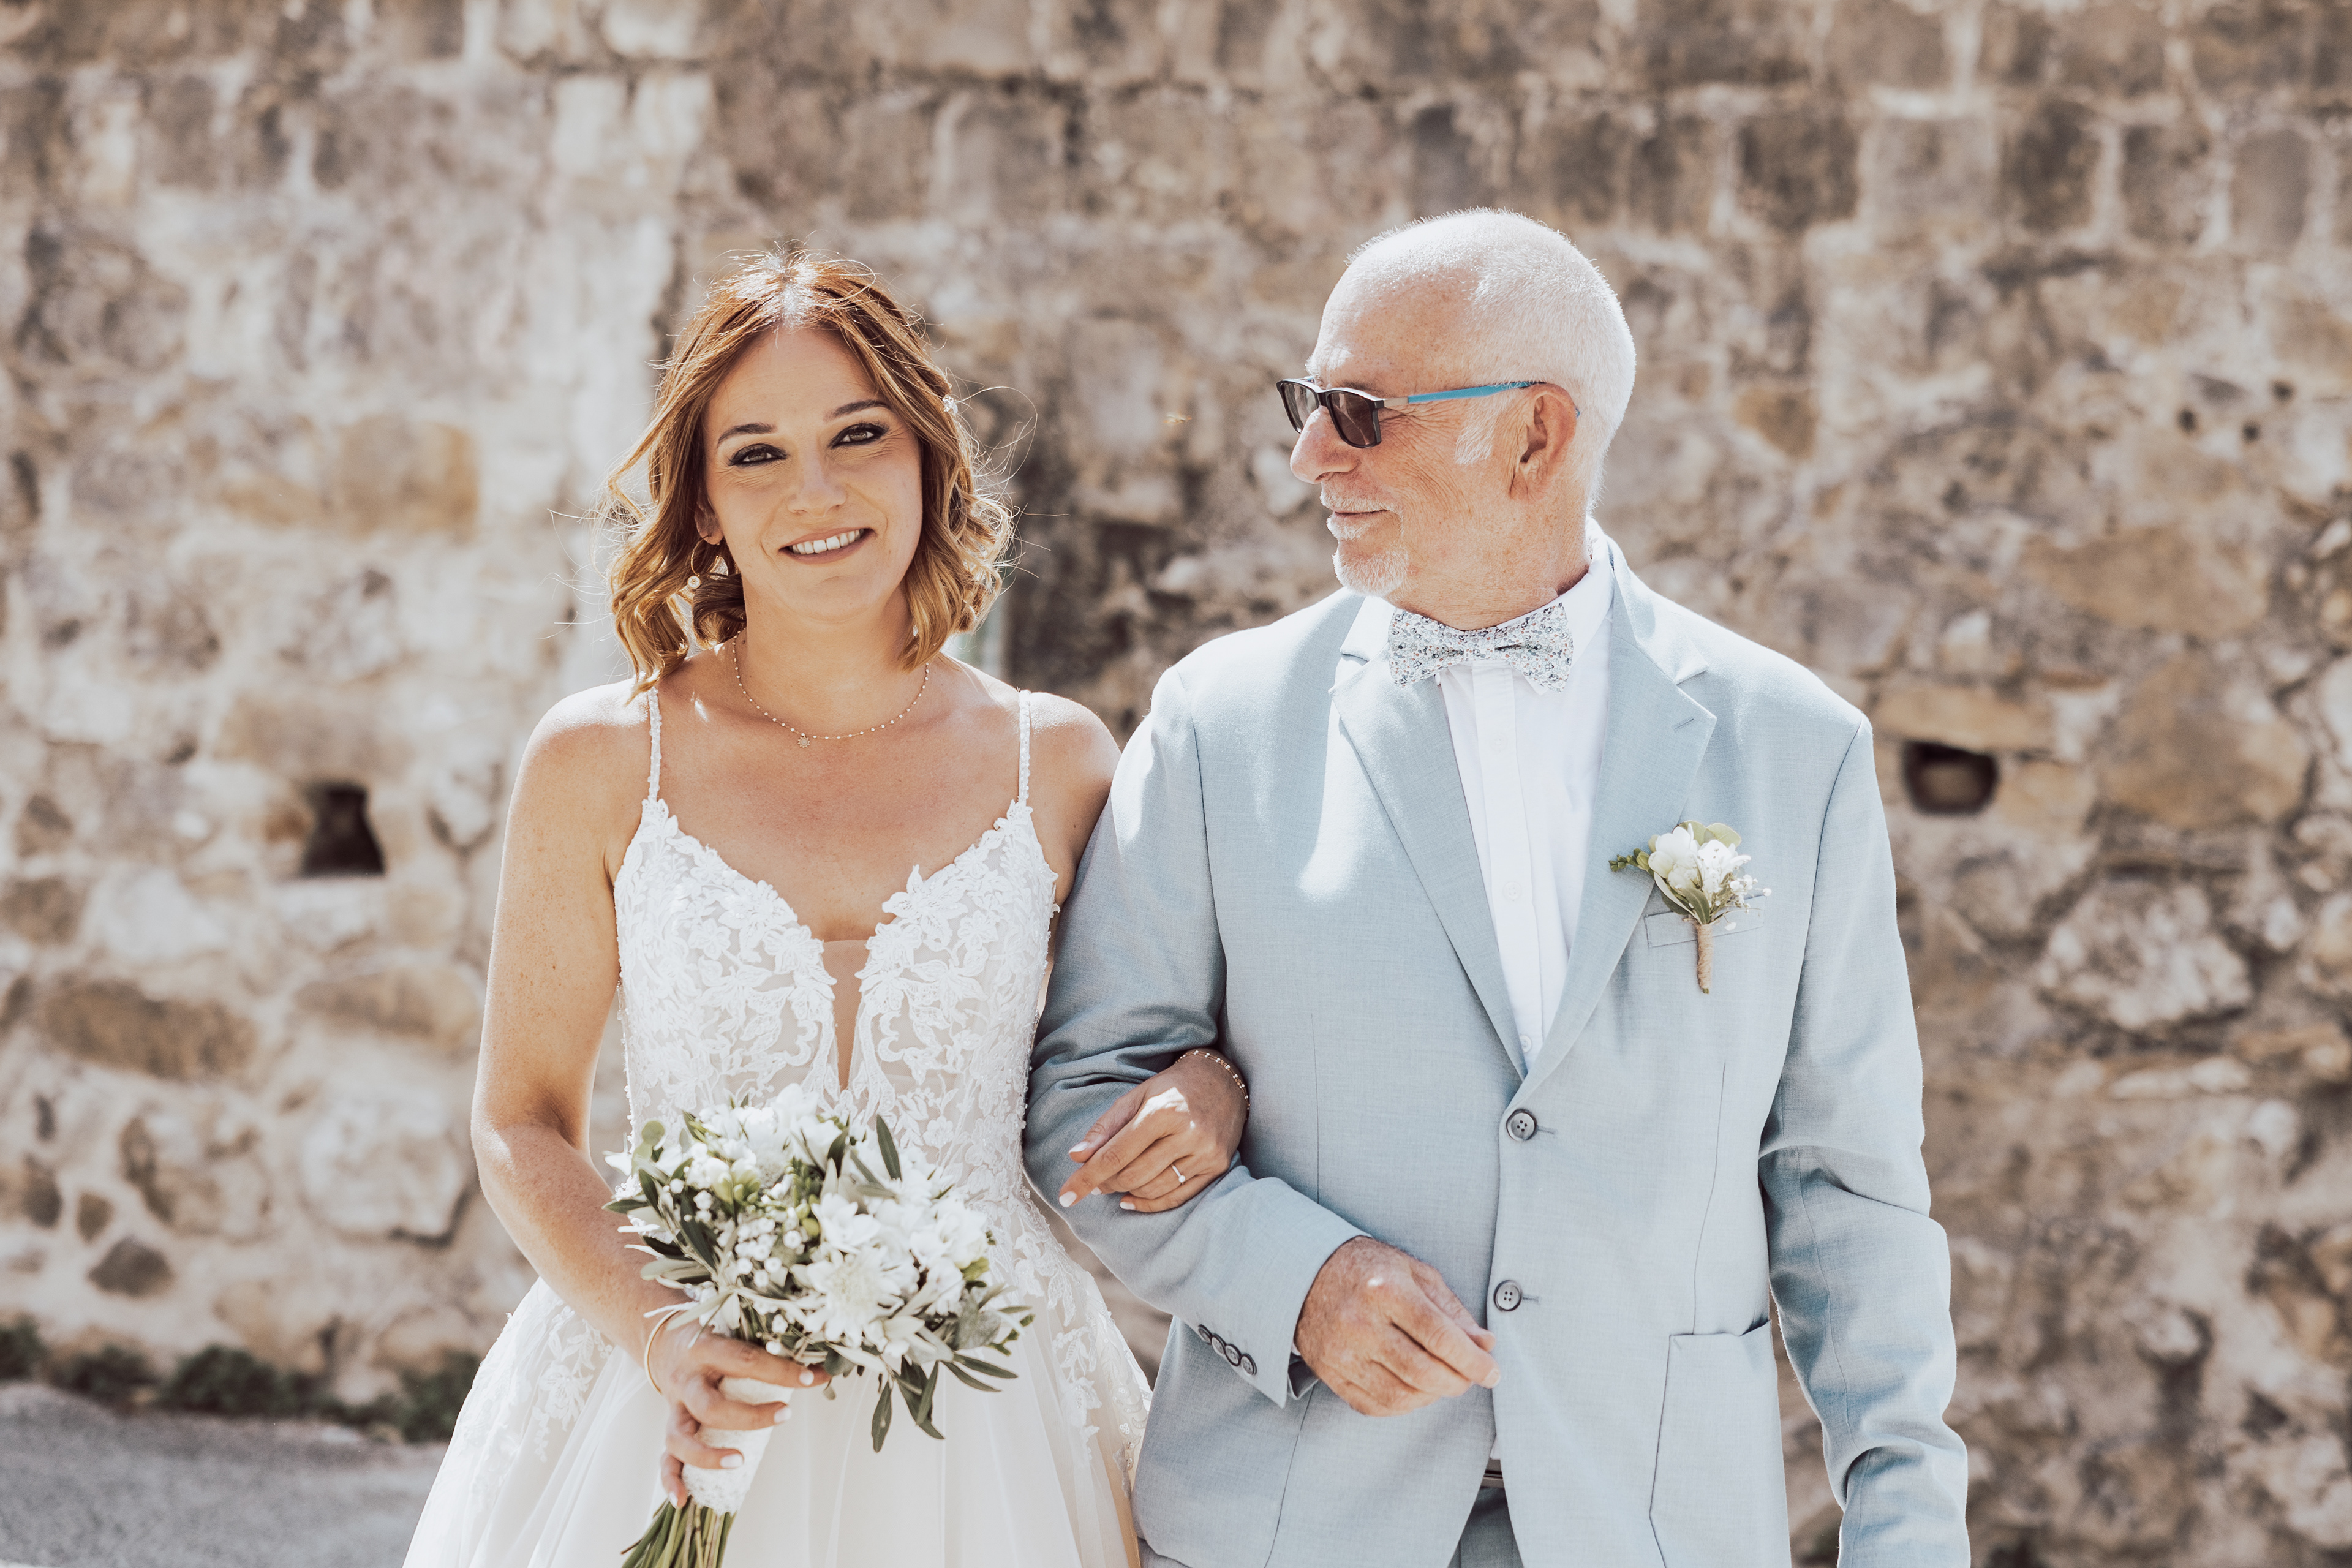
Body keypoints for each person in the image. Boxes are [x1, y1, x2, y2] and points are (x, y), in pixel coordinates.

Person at [1028, 209, 1970, 1568]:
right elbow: (1082, 1098)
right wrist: (1294, 1282)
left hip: (1655, 1523)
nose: (1310, 456)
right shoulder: (1218, 723)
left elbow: (1849, 1188)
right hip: (1295, 1523)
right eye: (1308, 403)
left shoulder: (1793, 746)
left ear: (1536, 434)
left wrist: (1907, 1533)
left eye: (1362, 413)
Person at [404, 250, 1248, 1568]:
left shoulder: (1059, 761)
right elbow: (521, 1120)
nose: (818, 490)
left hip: (993, 1409)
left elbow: (1176, 1040)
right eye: (758, 454)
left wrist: (1213, 1085)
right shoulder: (602, 760)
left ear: (927, 455)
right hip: (669, 1381)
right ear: (703, 503)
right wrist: (663, 1334)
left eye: (860, 434)